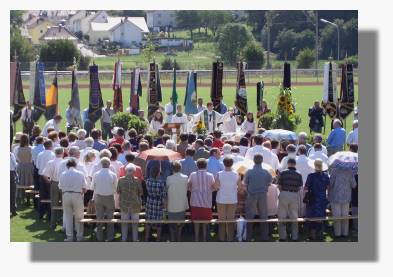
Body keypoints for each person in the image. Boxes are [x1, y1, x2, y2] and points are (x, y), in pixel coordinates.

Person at [242, 153, 272, 241]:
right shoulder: (266, 172)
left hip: (251, 194)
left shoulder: (249, 171)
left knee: (249, 216)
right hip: (262, 194)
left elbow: (245, 183)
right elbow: (270, 182)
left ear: (253, 160)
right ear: (262, 161)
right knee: (263, 216)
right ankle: (265, 236)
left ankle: (248, 236)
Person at [58, 158, 86, 242]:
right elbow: (84, 187)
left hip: (66, 195)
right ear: (75, 165)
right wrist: (81, 194)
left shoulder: (63, 174)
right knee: (79, 217)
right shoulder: (80, 174)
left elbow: (60, 186)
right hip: (77, 195)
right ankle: (79, 236)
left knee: (68, 217)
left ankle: (69, 237)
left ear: (67, 166)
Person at [188, 158, 216, 241]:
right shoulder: (210, 175)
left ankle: (196, 239)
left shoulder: (193, 174)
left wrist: (192, 190)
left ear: (197, 165)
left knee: (196, 222)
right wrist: (209, 191)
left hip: (195, 202)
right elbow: (214, 187)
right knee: (205, 223)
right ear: (206, 165)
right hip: (206, 202)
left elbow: (188, 186)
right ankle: (204, 239)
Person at [277, 158, 303, 241]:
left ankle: (282, 236)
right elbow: (299, 187)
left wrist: (283, 192)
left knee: (282, 216)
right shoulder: (299, 174)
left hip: (284, 193)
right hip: (294, 194)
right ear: (295, 164)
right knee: (294, 216)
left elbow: (279, 185)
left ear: (288, 164)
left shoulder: (282, 173)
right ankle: (295, 236)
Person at [215, 156, 241, 241]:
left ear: (223, 164)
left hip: (221, 199)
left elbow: (216, 187)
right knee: (230, 219)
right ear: (232, 164)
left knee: (221, 219)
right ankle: (230, 238)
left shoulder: (219, 174)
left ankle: (222, 238)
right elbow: (240, 188)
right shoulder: (236, 174)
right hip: (232, 199)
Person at [92, 157, 118, 242]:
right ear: (109, 164)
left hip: (98, 197)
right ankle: (110, 237)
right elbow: (116, 187)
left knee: (99, 218)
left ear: (101, 164)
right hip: (109, 197)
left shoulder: (96, 174)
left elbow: (92, 187)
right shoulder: (113, 174)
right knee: (110, 218)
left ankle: (100, 237)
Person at [328, 165, 357, 238]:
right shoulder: (350, 172)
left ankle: (338, 234)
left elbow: (330, 184)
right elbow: (354, 185)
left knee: (337, 216)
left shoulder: (334, 171)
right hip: (346, 197)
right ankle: (345, 233)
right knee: (345, 215)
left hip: (335, 197)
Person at [117, 163, 143, 242]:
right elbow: (141, 192)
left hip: (124, 204)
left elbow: (118, 191)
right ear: (134, 171)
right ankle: (135, 239)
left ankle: (124, 239)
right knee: (135, 223)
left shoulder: (121, 180)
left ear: (126, 171)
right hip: (135, 204)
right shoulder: (137, 180)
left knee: (124, 223)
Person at [305, 159, 330, 240]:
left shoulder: (311, 176)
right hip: (322, 198)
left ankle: (313, 235)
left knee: (312, 217)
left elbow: (305, 188)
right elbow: (328, 187)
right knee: (321, 216)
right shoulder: (326, 176)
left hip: (313, 199)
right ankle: (320, 235)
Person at [166, 161, 189, 241]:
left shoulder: (169, 178)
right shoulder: (185, 177)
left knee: (172, 226)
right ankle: (178, 239)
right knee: (179, 226)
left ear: (172, 168)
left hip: (172, 205)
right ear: (180, 168)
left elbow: (166, 189)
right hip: (181, 205)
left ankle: (173, 240)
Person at [42, 147, 64, 228]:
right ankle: (62, 223)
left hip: (54, 183)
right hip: (62, 184)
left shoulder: (51, 162)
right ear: (62, 153)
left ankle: (53, 223)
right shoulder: (64, 162)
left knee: (54, 204)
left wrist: (49, 182)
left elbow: (44, 175)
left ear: (55, 153)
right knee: (63, 204)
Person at [144, 166, 167, 241]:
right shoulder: (161, 183)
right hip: (158, 203)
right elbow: (163, 195)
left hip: (150, 201)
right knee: (159, 222)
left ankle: (146, 237)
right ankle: (158, 238)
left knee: (148, 221)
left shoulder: (147, 181)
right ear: (158, 173)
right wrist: (164, 206)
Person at [36, 140, 55, 218]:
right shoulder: (53, 154)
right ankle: (49, 214)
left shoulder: (40, 154)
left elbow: (37, 166)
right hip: (50, 176)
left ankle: (41, 213)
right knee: (50, 195)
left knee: (42, 195)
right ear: (50, 146)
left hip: (41, 176)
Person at [10, 152, 18, 217]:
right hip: (11, 173)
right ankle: (13, 210)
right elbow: (15, 165)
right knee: (12, 193)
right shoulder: (10, 154)